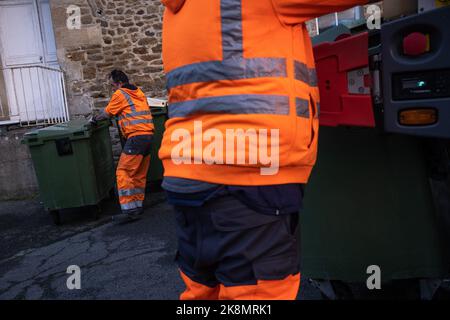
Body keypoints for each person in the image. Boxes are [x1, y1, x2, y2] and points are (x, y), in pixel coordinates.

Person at [159, 0, 373, 300]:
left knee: (201, 293)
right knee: (256, 297)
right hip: (250, 180)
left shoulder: (176, 11)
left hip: (186, 176)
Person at [94, 70, 154, 220]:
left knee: (123, 172)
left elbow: (107, 113)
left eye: (113, 85)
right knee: (139, 173)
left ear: (119, 83)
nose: (113, 89)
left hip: (136, 137)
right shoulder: (138, 92)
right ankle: (137, 206)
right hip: (148, 136)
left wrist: (93, 119)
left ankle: (129, 210)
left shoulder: (120, 94)